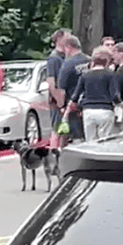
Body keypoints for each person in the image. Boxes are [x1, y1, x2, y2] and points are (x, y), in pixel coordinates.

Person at [66, 46, 121, 141]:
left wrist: (67, 112)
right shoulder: (110, 75)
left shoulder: (85, 76)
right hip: (105, 110)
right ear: (106, 61)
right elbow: (115, 95)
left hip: (88, 111)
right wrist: (121, 106)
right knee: (104, 140)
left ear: (93, 61)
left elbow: (75, 96)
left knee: (90, 140)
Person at [57, 35, 90, 142]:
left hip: (73, 107)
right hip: (90, 103)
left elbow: (61, 89)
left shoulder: (68, 65)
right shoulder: (90, 60)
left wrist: (62, 107)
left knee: (77, 137)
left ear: (68, 47)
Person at [45, 29, 70, 157]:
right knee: (57, 129)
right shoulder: (54, 59)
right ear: (59, 39)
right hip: (57, 101)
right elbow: (51, 83)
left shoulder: (64, 57)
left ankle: (62, 155)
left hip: (64, 99)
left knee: (63, 130)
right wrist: (60, 104)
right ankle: (53, 156)